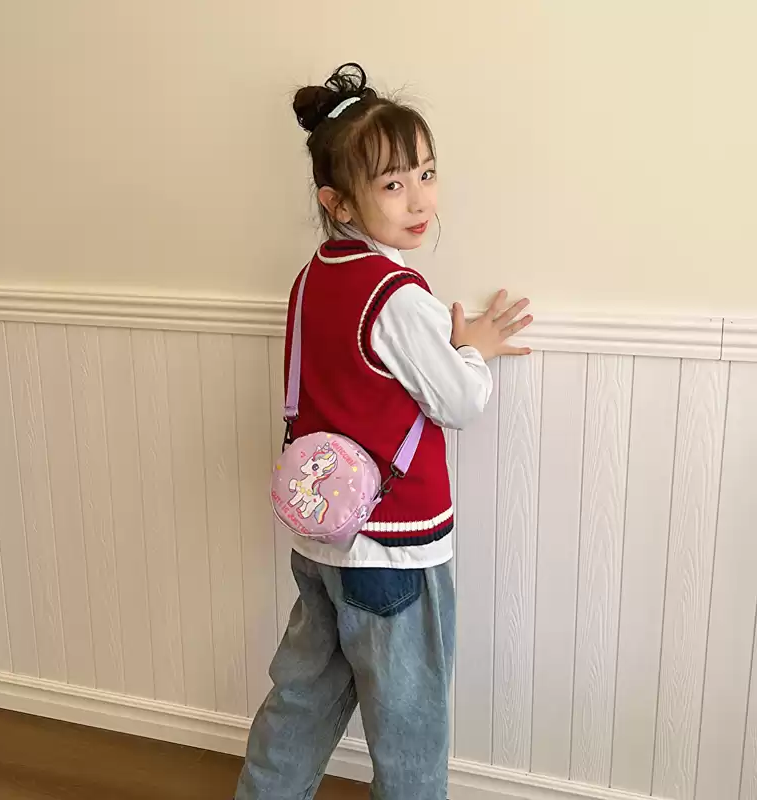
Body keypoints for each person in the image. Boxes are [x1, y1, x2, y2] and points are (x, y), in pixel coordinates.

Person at [235, 63, 532, 800]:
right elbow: (458, 398)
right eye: (393, 184)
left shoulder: (314, 277)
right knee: (410, 730)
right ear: (336, 201)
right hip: (397, 549)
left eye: (425, 173)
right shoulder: (396, 295)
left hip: (323, 542)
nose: (420, 199)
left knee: (300, 704)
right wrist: (474, 349)